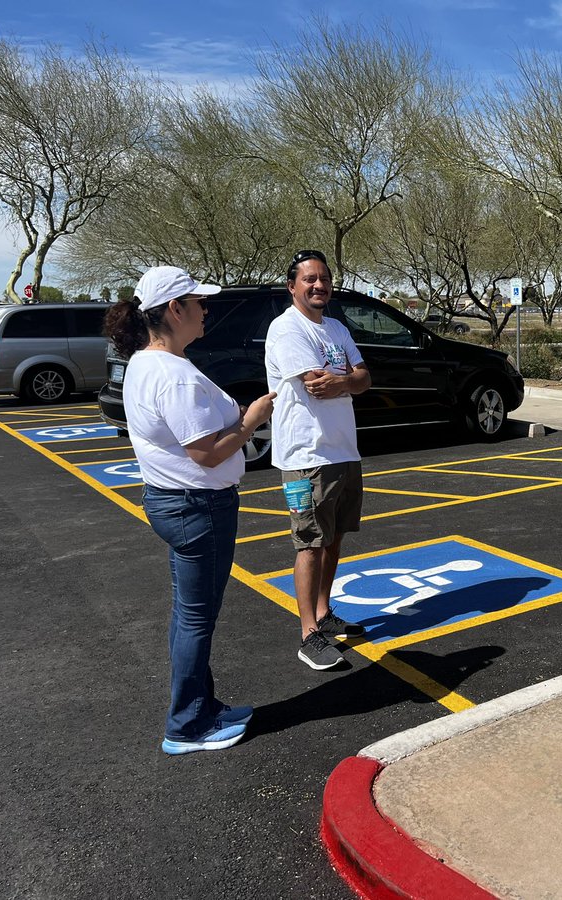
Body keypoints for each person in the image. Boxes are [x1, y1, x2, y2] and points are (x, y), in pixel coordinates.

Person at [104, 265, 275, 756]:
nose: (206, 310)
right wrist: (250, 422)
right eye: (199, 303)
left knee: (189, 615)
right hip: (197, 506)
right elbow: (207, 452)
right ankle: (186, 724)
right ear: (174, 310)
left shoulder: (145, 363)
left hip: (176, 502)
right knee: (197, 619)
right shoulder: (173, 375)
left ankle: (202, 707)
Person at [266, 250, 372, 671]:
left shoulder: (336, 328)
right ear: (292, 286)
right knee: (309, 543)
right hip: (307, 455)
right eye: (309, 279)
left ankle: (325, 614)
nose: (318, 285)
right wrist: (349, 380)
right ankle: (308, 633)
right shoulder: (285, 329)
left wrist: (346, 380)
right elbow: (316, 386)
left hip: (343, 450)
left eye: (324, 279)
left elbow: (363, 379)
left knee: (334, 538)